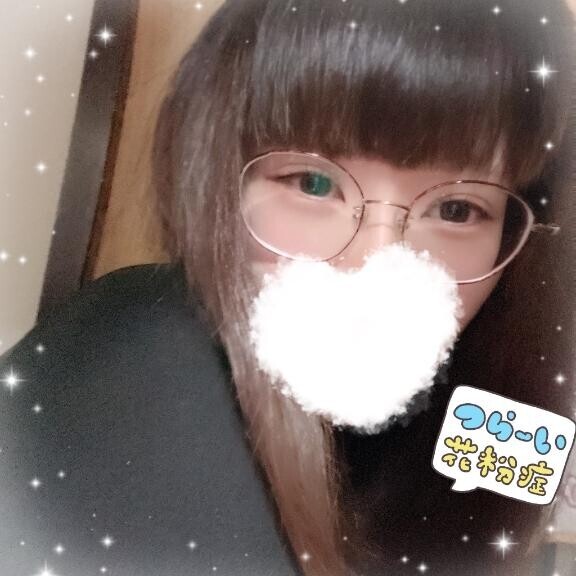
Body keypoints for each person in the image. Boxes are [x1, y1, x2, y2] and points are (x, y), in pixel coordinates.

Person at [150, 0, 575, 575]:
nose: (375, 264)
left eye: (455, 209)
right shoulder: (131, 375)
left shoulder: (510, 412)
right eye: (313, 183)